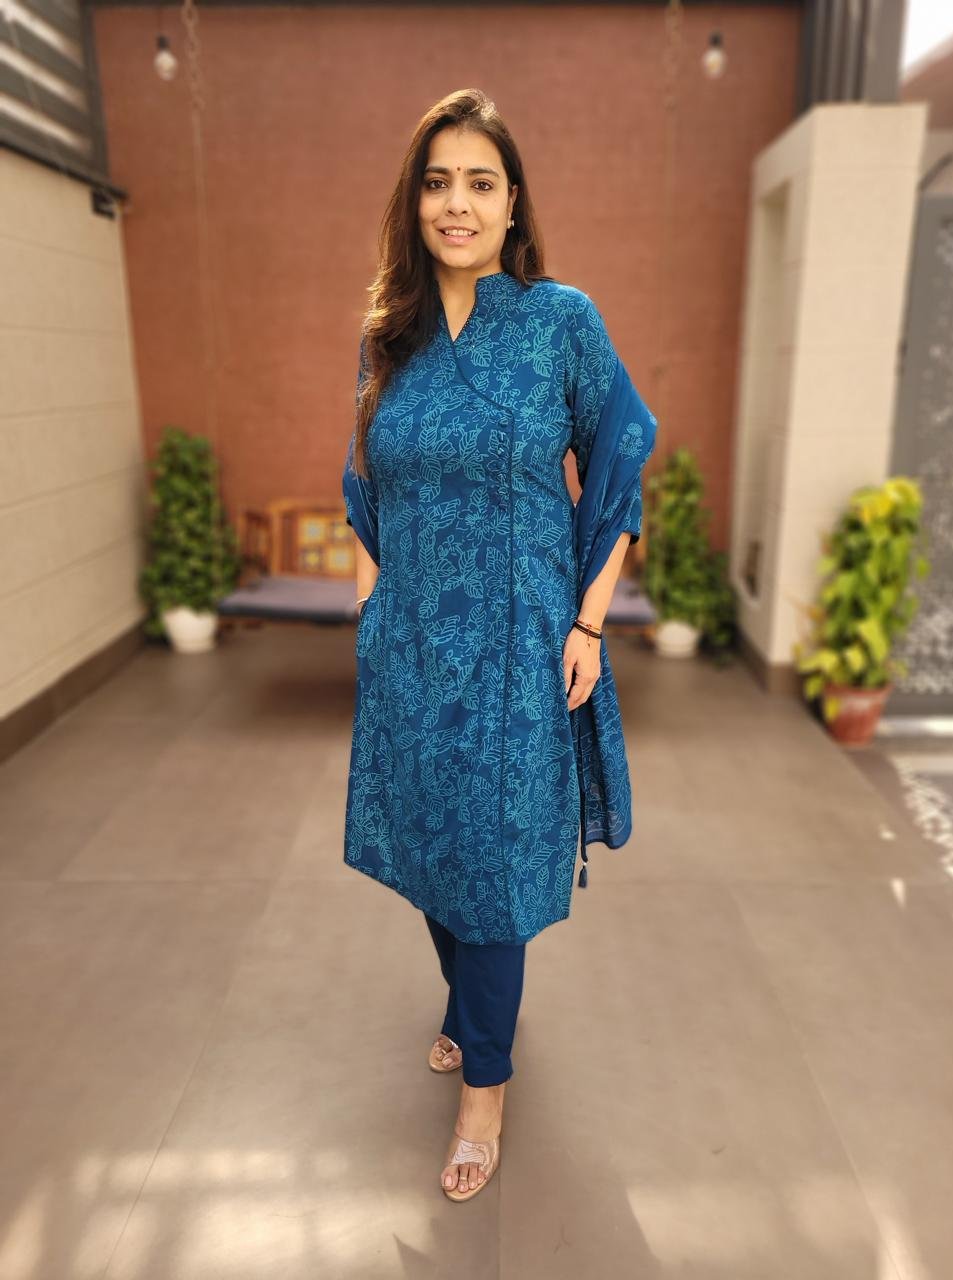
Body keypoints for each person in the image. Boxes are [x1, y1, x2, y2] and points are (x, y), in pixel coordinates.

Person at [342, 88, 658, 1202]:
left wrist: (589, 621)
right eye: (438, 182)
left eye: (480, 182)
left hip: (522, 648)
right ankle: (468, 1008)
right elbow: (366, 485)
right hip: (414, 650)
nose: (457, 203)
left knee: (494, 864)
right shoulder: (389, 335)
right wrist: (373, 614)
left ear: (512, 201)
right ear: (415, 202)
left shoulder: (559, 321)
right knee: (431, 848)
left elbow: (620, 456)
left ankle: (486, 1084)